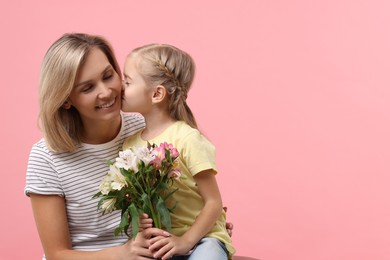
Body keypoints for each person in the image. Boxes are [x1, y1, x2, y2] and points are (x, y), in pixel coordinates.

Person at [24, 33, 233, 260]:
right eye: (87, 88)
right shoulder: (45, 157)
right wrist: (122, 253)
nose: (106, 92)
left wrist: (204, 232)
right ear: (65, 99)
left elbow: (184, 195)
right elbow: (57, 254)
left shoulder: (146, 126)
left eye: (108, 75)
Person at [121, 44, 235, 260]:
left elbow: (213, 202)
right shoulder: (130, 146)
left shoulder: (187, 138)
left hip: (203, 238)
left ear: (156, 94)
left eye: (127, 81)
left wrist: (186, 241)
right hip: (163, 241)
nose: (120, 87)